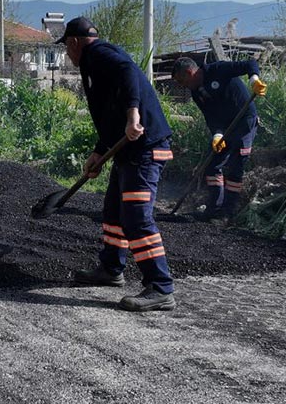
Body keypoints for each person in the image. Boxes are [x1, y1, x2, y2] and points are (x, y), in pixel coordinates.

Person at [59, 17, 176, 312]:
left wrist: (133, 115)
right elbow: (111, 113)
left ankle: (160, 287)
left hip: (145, 149)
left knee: (136, 216)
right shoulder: (95, 63)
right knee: (113, 211)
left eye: (66, 48)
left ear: (73, 42)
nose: (67, 55)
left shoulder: (98, 54)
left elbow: (128, 73)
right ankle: (111, 269)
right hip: (126, 150)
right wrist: (99, 151)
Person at [171, 56, 267, 217]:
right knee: (213, 164)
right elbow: (211, 117)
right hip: (224, 128)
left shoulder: (217, 70)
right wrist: (217, 135)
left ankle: (228, 212)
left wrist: (254, 80)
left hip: (244, 119)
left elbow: (250, 63)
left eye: (182, 81)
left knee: (236, 163)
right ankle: (214, 209)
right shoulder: (197, 93)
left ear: (189, 72)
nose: (182, 86)